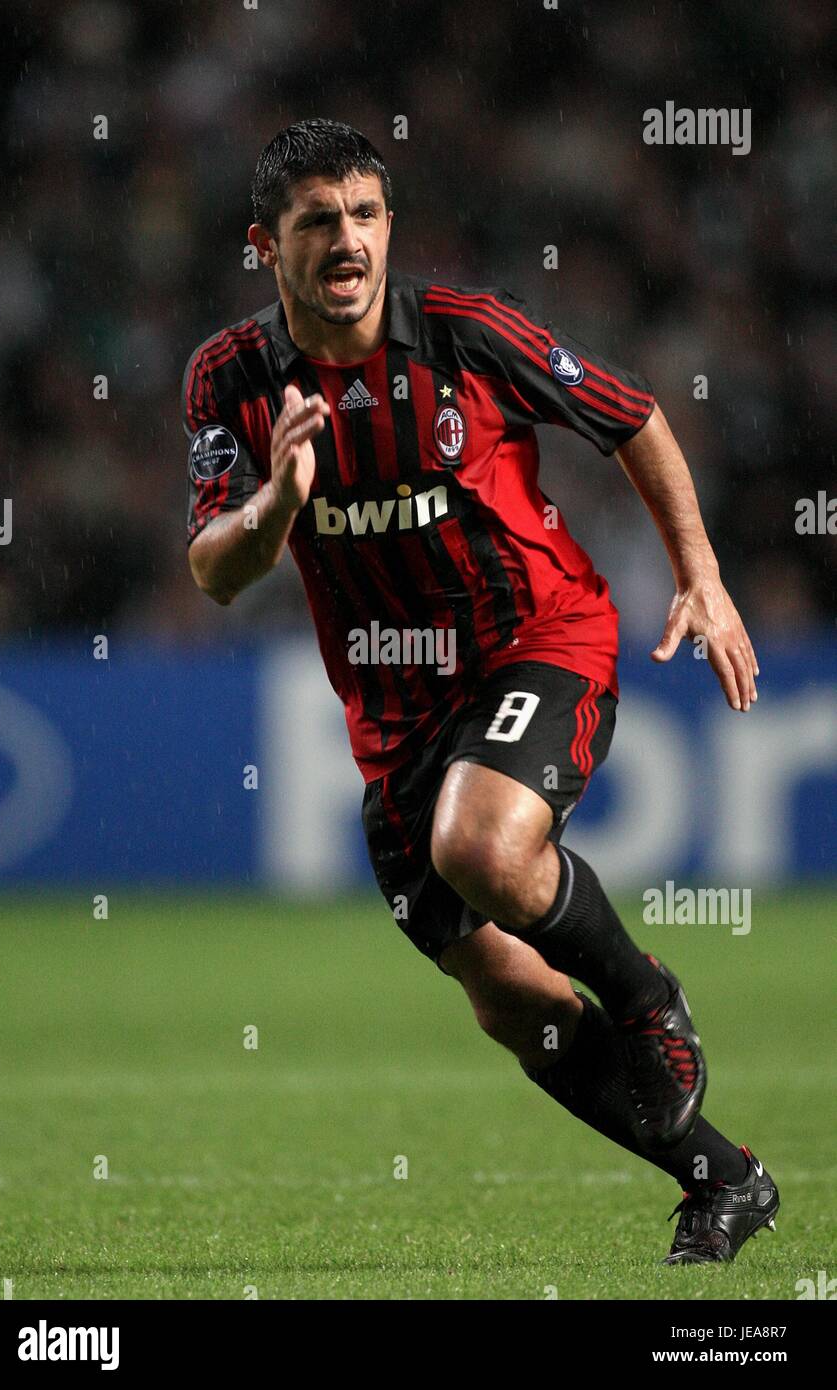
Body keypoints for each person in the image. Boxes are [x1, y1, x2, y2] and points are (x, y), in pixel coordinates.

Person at [183, 118, 778, 1263]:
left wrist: (701, 578)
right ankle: (722, 1177)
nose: (346, 240)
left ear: (389, 225)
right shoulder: (230, 377)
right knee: (512, 1002)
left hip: (535, 637)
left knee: (483, 847)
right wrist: (276, 502)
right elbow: (215, 571)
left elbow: (631, 416)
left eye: (364, 214)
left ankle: (649, 998)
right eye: (317, 221)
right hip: (391, 722)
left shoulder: (465, 333)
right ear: (267, 245)